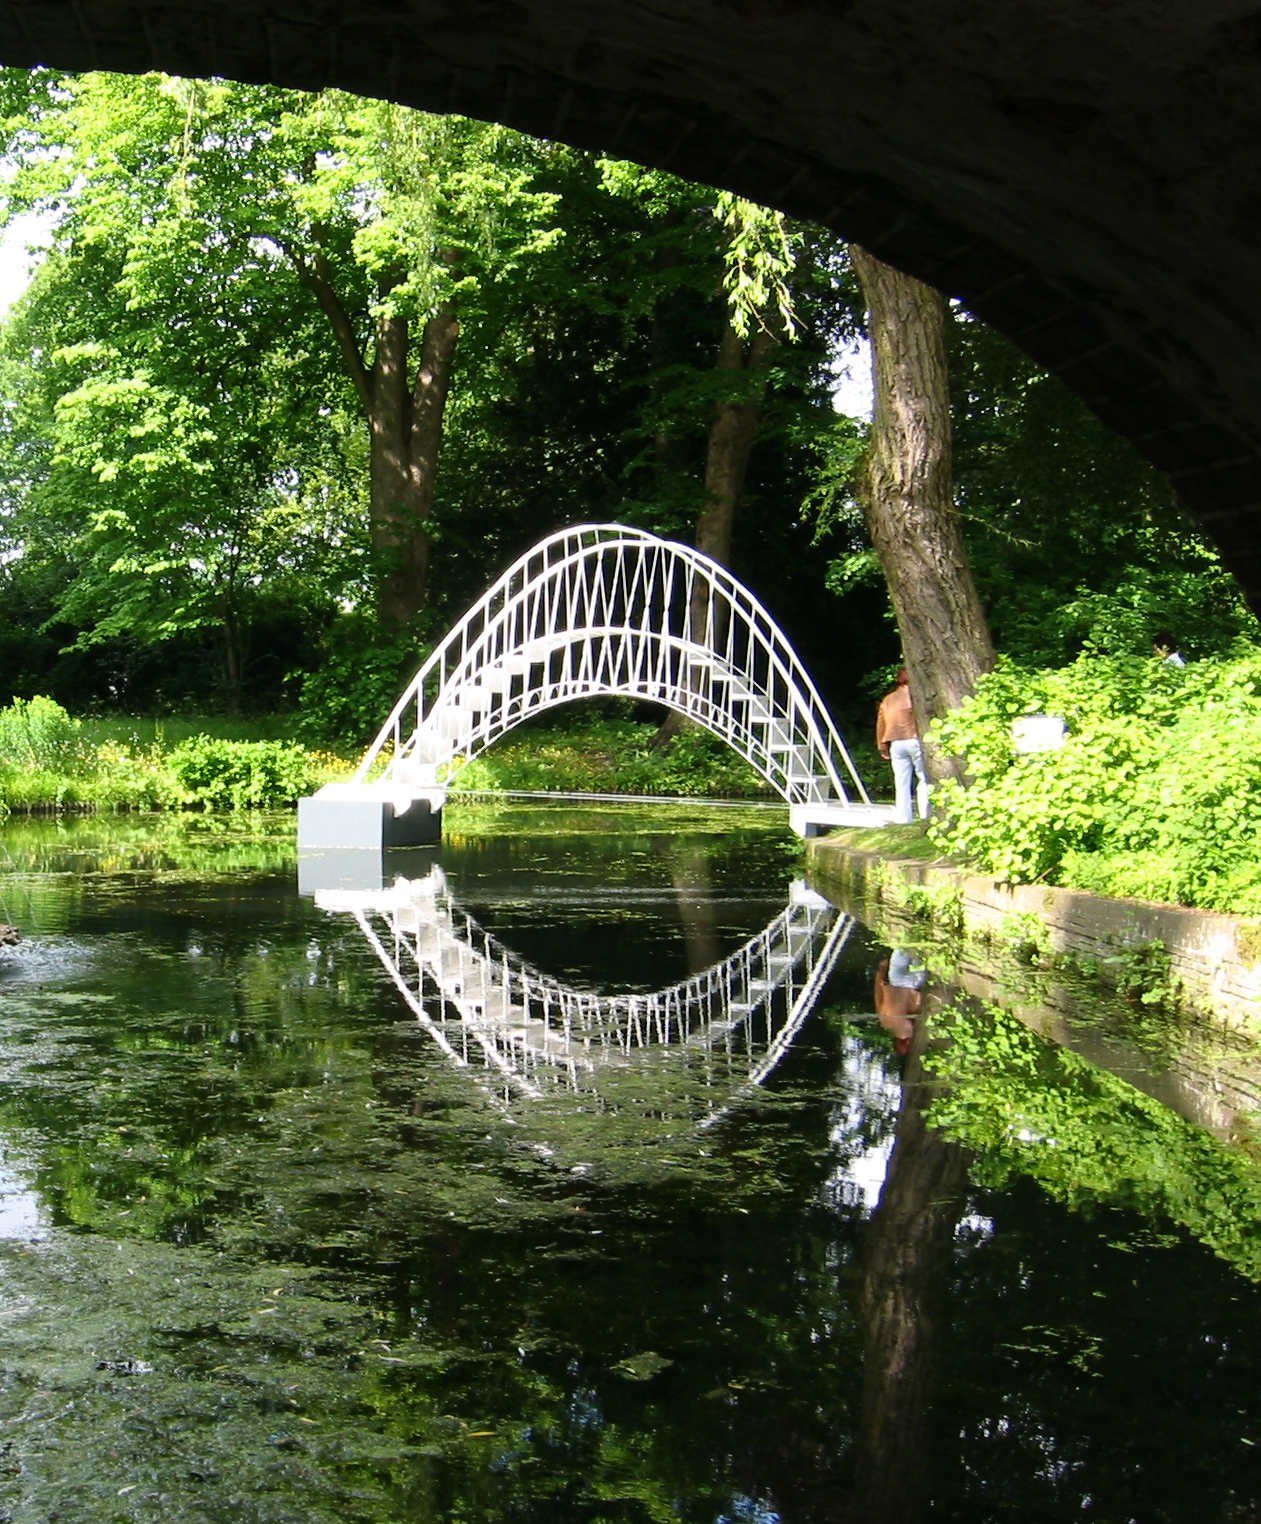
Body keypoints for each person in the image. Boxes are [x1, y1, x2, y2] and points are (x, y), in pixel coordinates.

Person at [876, 668, 930, 824]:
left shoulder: (888, 699)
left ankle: (903, 818)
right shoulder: (917, 698)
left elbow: (881, 724)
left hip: (896, 743)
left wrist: (881, 745)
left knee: (901, 782)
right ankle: (925, 814)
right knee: (924, 778)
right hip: (915, 740)